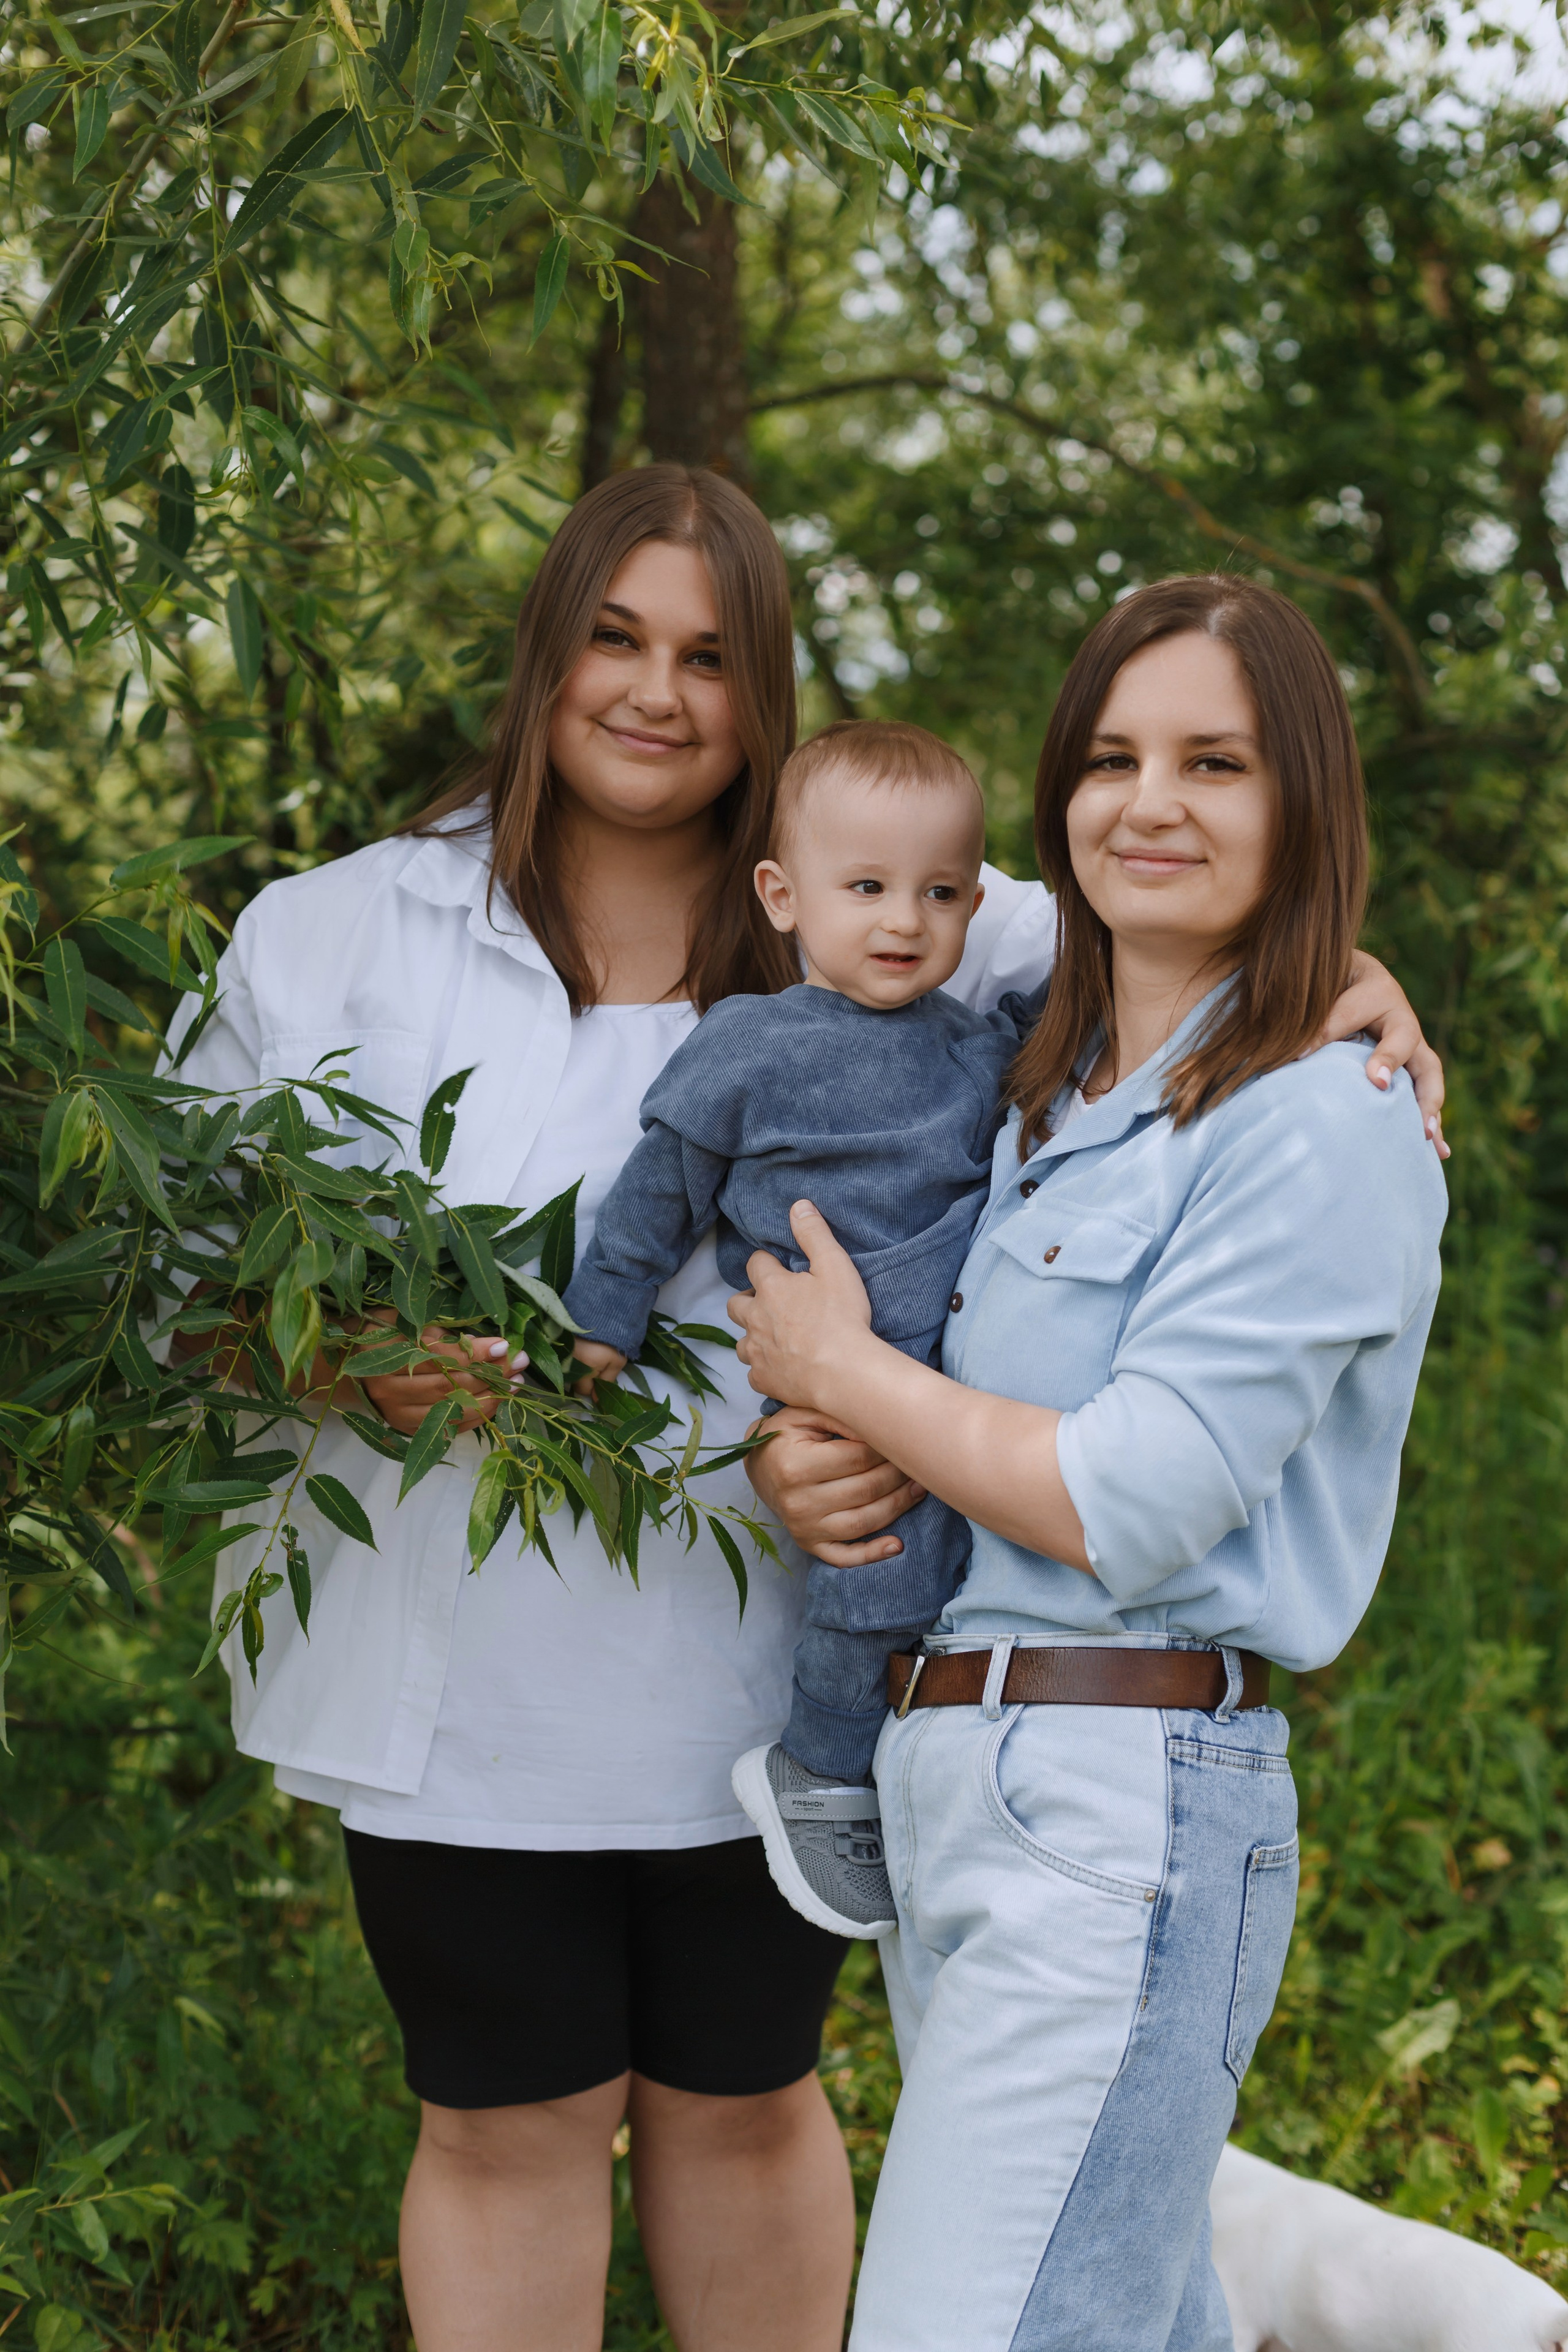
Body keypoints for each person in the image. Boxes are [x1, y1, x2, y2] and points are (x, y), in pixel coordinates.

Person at [170, 461, 1439, 2352]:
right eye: (614, 638)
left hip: (780, 1665)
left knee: (751, 2101)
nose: (656, 692)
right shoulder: (333, 935)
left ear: (767, 693)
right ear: (545, 656)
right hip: (455, 1663)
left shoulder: (916, 909)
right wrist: (356, 1362)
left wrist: (1367, 990)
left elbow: (1181, 918)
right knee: (508, 2116)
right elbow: (186, 1295)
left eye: (707, 654)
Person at [731, 575, 1449, 2352]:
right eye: (1113, 758)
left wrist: (844, 1372)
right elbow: (854, 876)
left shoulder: (1321, 1117)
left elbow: (1127, 1498)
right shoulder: (1050, 1091)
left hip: (1122, 1801)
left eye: (1218, 761)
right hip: (960, 1783)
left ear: (1303, 808)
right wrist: (800, 1454)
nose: (1153, 802)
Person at [565, 720, 1022, 1940]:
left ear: (974, 902)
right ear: (783, 896)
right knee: (878, 1572)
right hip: (826, 1378)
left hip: (954, 1367)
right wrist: (602, 1319)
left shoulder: (977, 1045)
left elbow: (1114, 1021)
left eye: (937, 894)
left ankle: (918, 1775)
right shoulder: (745, 1044)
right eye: (865, 888)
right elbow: (658, 1191)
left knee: (968, 1587)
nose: (902, 920)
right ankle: (819, 1766)